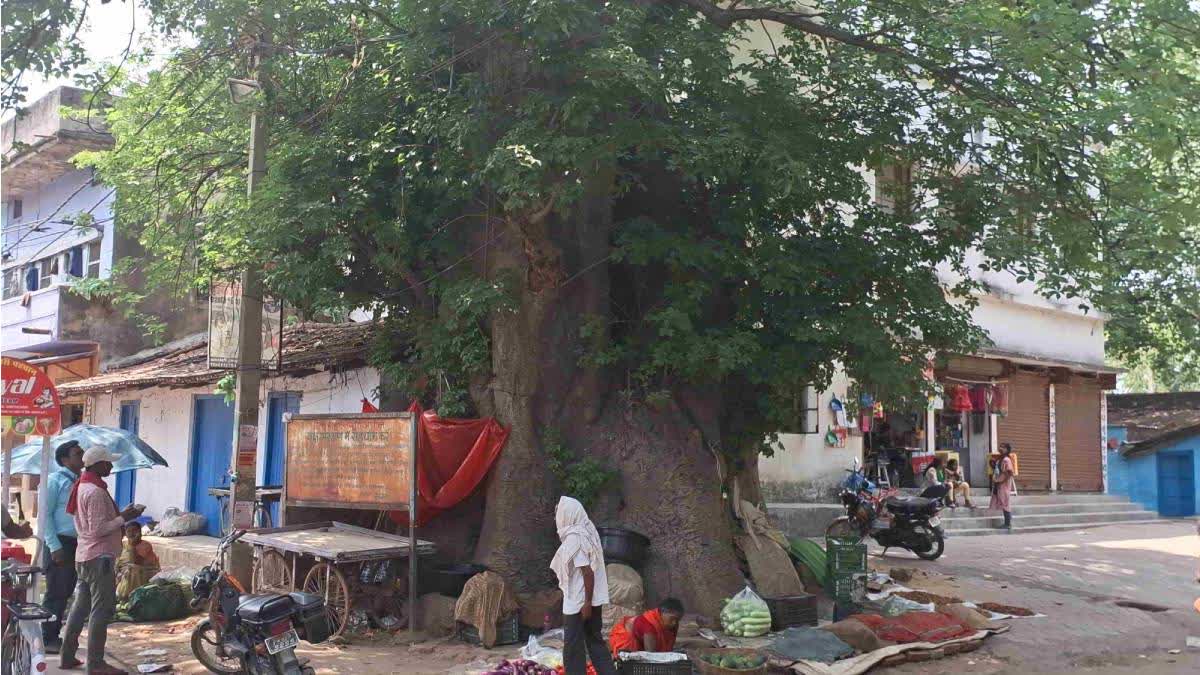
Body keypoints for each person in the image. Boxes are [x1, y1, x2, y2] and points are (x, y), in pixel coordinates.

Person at [60, 446, 144, 675]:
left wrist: (121, 516)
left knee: (80, 608)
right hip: (99, 556)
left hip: (85, 555)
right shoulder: (95, 491)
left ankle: (67, 655)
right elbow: (98, 529)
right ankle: (96, 663)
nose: (111, 466)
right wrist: (124, 518)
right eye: (107, 463)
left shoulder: (83, 486)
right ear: (97, 465)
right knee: (101, 610)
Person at [550, 496, 616, 675]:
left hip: (579, 603)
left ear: (568, 514)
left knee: (573, 647)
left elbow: (587, 572)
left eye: (558, 512)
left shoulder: (575, 538)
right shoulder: (589, 530)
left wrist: (586, 603)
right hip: (592, 599)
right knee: (595, 642)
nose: (557, 517)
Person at [43, 440, 85, 653]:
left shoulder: (81, 481)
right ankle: (47, 638)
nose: (82, 456)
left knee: (66, 591)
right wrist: (54, 546)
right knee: (56, 593)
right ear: (64, 459)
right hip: (61, 542)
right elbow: (45, 515)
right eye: (78, 454)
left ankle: (54, 635)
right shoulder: (55, 481)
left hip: (78, 542)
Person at [608, 598, 684, 657]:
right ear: (662, 613)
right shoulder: (649, 625)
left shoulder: (673, 624)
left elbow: (668, 649)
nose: (674, 623)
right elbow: (651, 656)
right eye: (672, 619)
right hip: (627, 641)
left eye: (677, 620)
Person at [116, 521, 160, 601]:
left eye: (134, 531)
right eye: (129, 531)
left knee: (133, 570)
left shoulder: (145, 545)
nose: (132, 533)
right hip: (126, 572)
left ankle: (131, 596)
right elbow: (118, 562)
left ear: (140, 532)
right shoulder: (124, 545)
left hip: (145, 571)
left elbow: (136, 561)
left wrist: (132, 546)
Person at [990, 443, 1016, 530]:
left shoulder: (1006, 460)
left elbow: (1010, 472)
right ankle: (1007, 521)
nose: (1000, 448)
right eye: (1000, 446)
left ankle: (1007, 523)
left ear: (1007, 450)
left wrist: (1002, 480)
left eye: (1003, 447)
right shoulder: (1001, 459)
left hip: (1004, 484)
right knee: (1004, 502)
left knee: (1005, 503)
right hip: (1000, 484)